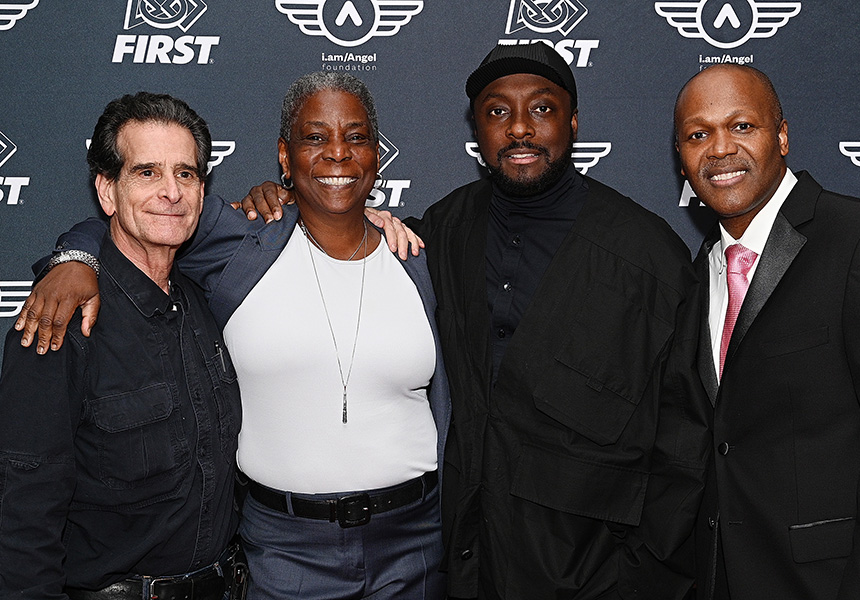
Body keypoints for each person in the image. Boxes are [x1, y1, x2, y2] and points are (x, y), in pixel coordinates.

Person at [241, 43, 710, 599]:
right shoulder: (442, 231)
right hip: (461, 568)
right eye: (496, 112)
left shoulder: (648, 255)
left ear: (573, 122)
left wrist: (642, 576)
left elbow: (685, 442)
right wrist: (282, 198)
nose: (518, 129)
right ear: (477, 129)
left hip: (595, 574)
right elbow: (342, 228)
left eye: (541, 109)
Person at [17, 73, 449, 600]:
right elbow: (133, 227)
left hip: (415, 541)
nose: (337, 153)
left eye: (356, 137)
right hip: (284, 548)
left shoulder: (418, 257)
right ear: (284, 159)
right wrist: (73, 257)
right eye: (314, 137)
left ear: (377, 156)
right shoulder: (239, 246)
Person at [0, 93, 245, 600]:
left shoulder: (206, 300)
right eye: (147, 173)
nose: (171, 192)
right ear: (107, 192)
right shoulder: (60, 320)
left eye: (186, 174)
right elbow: (23, 506)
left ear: (203, 191)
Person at [674, 64, 860, 599]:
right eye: (698, 134)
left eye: (742, 126)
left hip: (829, 580)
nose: (720, 148)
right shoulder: (700, 265)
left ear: (782, 136)